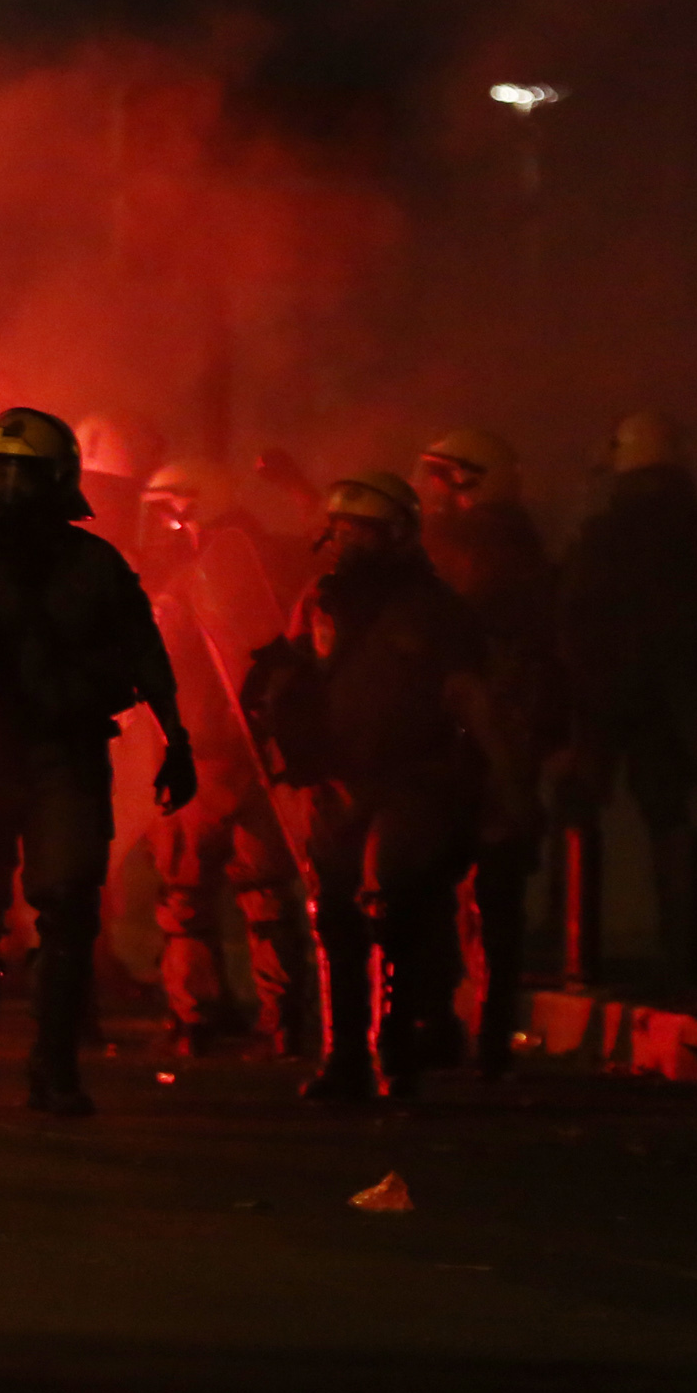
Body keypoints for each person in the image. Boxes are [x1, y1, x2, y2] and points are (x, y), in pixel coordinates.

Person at [0, 408, 190, 1117]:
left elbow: (145, 655)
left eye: (20, 470)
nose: (5, 482)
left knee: (68, 910)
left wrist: (176, 739)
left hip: (62, 752)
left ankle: (53, 1067)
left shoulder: (93, 564)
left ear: (54, 480)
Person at [243, 473, 488, 1104]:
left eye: (361, 531)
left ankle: (394, 1054)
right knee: (335, 917)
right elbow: (294, 670)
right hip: (332, 781)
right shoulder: (319, 600)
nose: (346, 543)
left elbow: (468, 694)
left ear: (398, 534)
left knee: (393, 910)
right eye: (340, 530)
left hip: (411, 779)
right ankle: (342, 1057)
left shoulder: (435, 608)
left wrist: (491, 777)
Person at [135, 457, 311, 1056]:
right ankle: (281, 1017)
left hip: (203, 756)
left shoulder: (188, 582)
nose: (164, 524)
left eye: (171, 511)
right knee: (259, 895)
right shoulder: (268, 567)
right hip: (251, 759)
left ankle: (197, 1017)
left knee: (188, 898)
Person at [415, 428, 563, 1075]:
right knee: (477, 891)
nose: (432, 494)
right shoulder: (510, 547)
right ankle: (481, 1031)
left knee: (473, 888)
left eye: (442, 478)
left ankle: (480, 1030)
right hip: (486, 736)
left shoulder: (491, 545)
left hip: (494, 738)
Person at [554, 411, 697, 997]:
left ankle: (577, 955)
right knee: (671, 816)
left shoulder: (605, 532)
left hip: (603, 693)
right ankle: (683, 961)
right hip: (670, 696)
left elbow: (573, 607)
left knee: (578, 804)